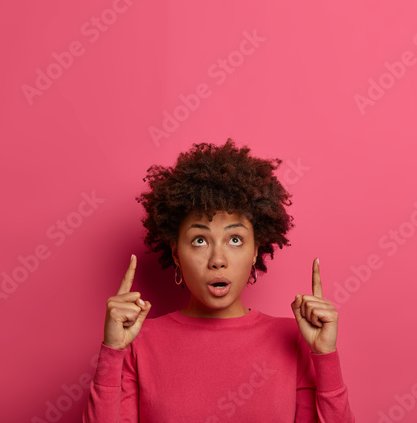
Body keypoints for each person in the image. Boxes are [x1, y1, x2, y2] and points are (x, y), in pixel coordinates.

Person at [82, 138, 355, 422]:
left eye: (235, 239)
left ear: (254, 252)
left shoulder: (294, 339)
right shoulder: (139, 342)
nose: (218, 259)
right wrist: (113, 351)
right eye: (200, 240)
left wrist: (325, 356)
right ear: (176, 253)